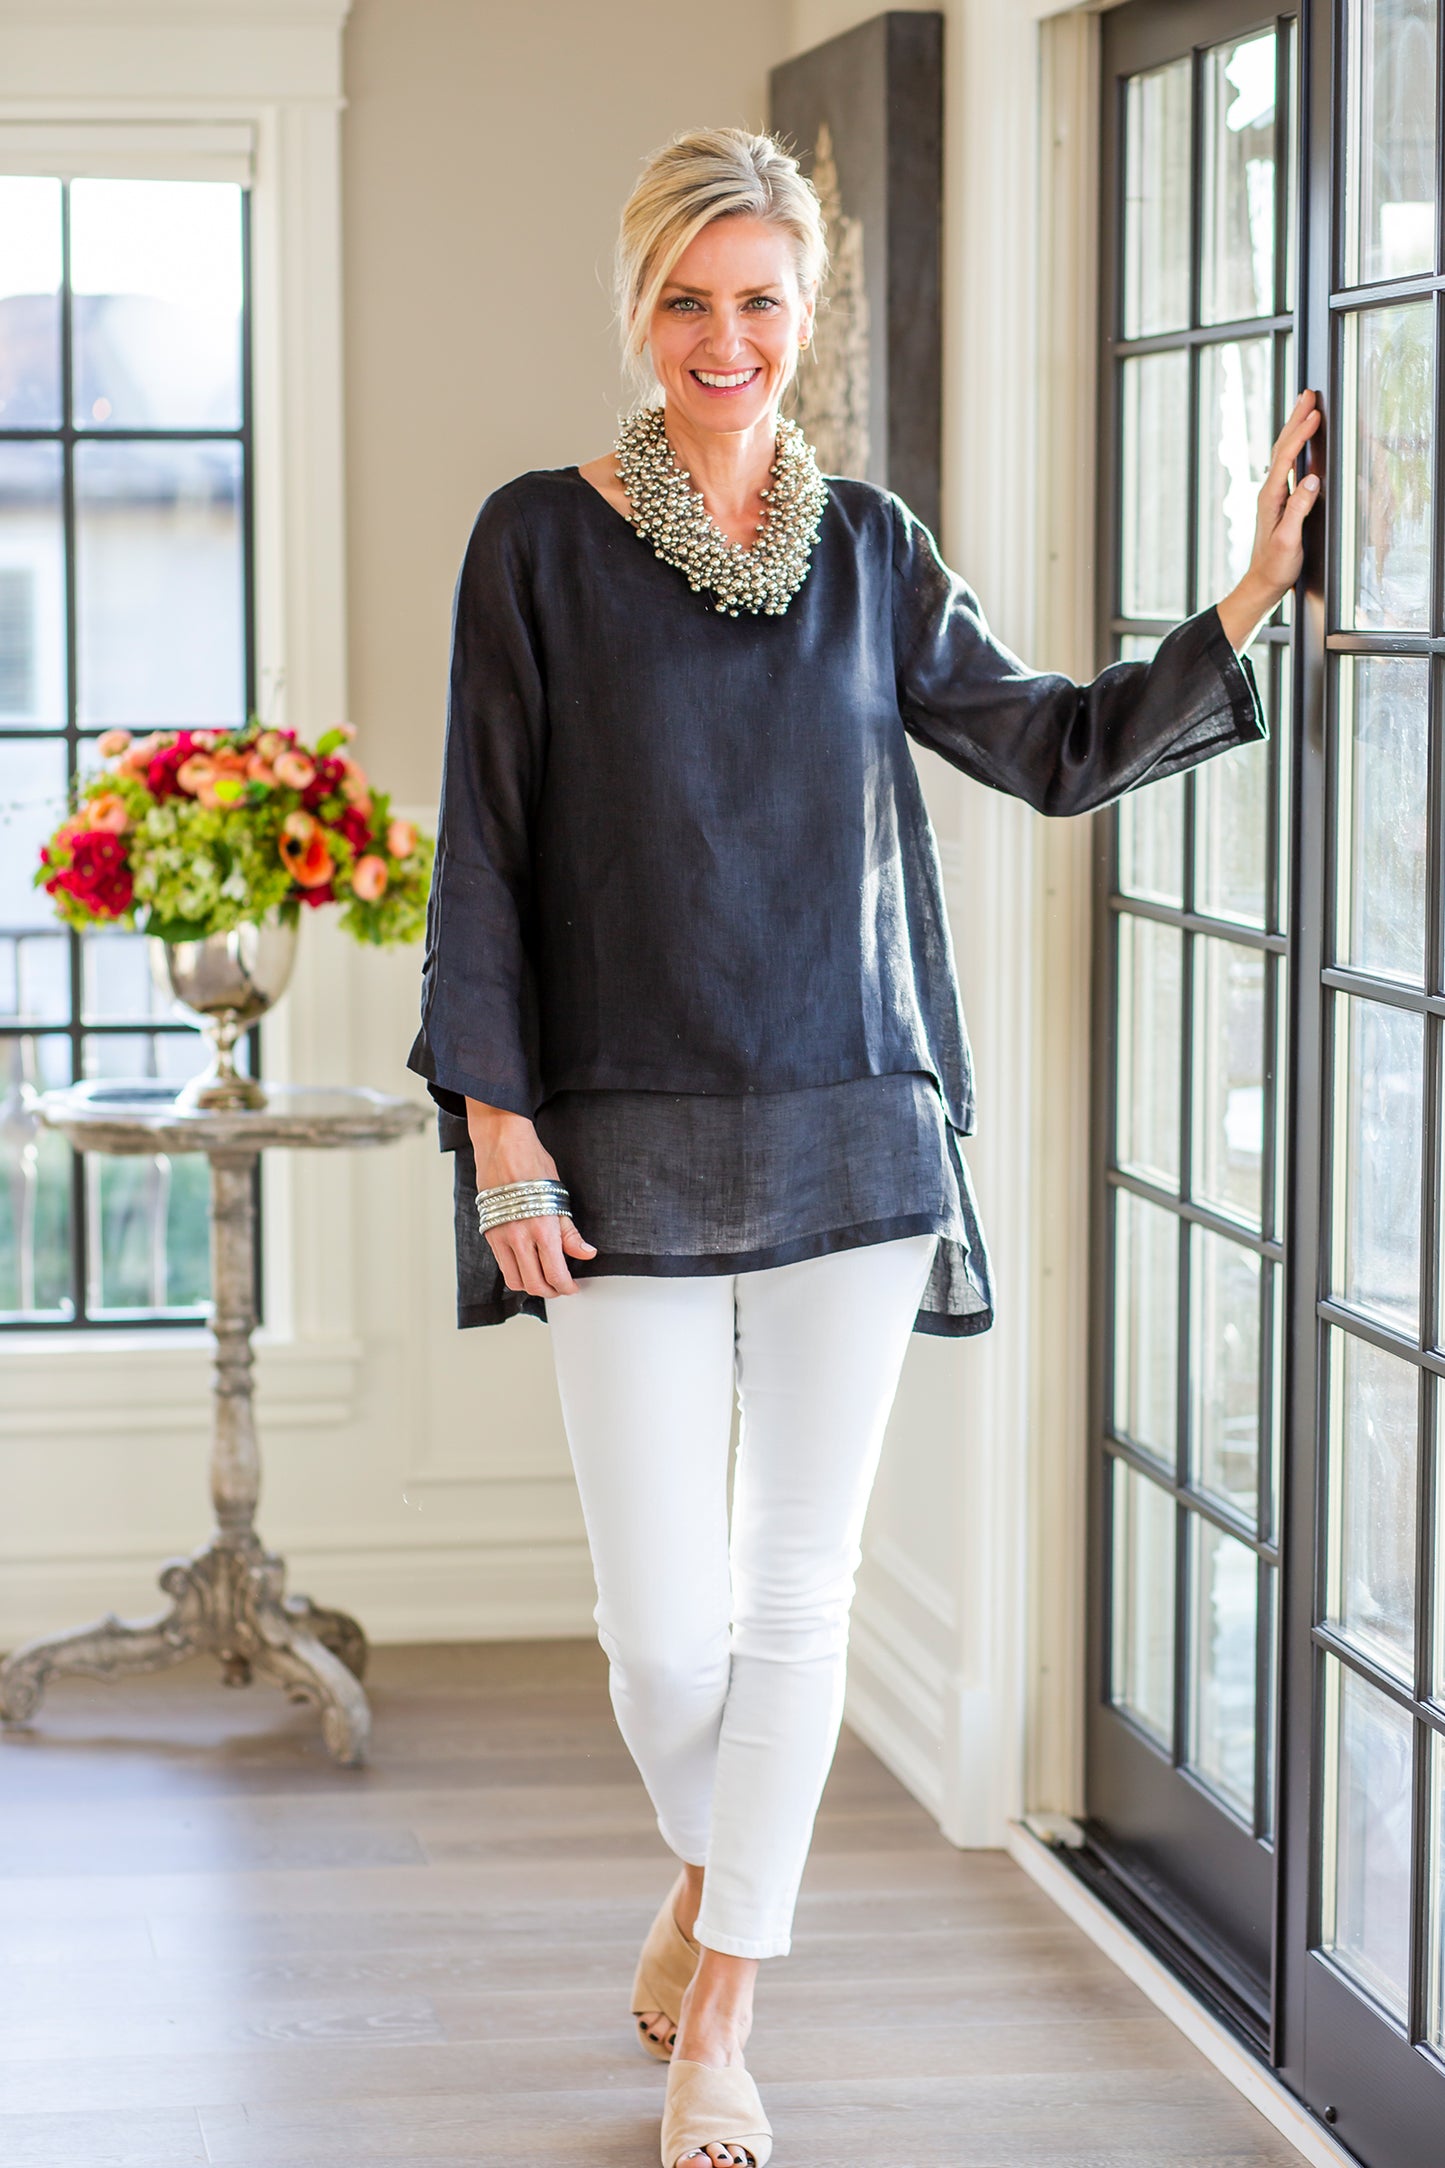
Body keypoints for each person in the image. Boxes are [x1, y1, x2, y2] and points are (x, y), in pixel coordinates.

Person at [408, 126, 1319, 2168]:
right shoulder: (536, 544)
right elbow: (485, 846)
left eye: (761, 301)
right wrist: (497, 1127)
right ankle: (712, 1879)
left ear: (804, 318)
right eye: (687, 300)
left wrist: (1248, 598)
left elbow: (1052, 745)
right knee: (663, 1635)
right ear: (636, 311)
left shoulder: (871, 551)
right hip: (615, 1139)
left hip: (854, 1125)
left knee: (793, 1592)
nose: (724, 339)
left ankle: (724, 2014)